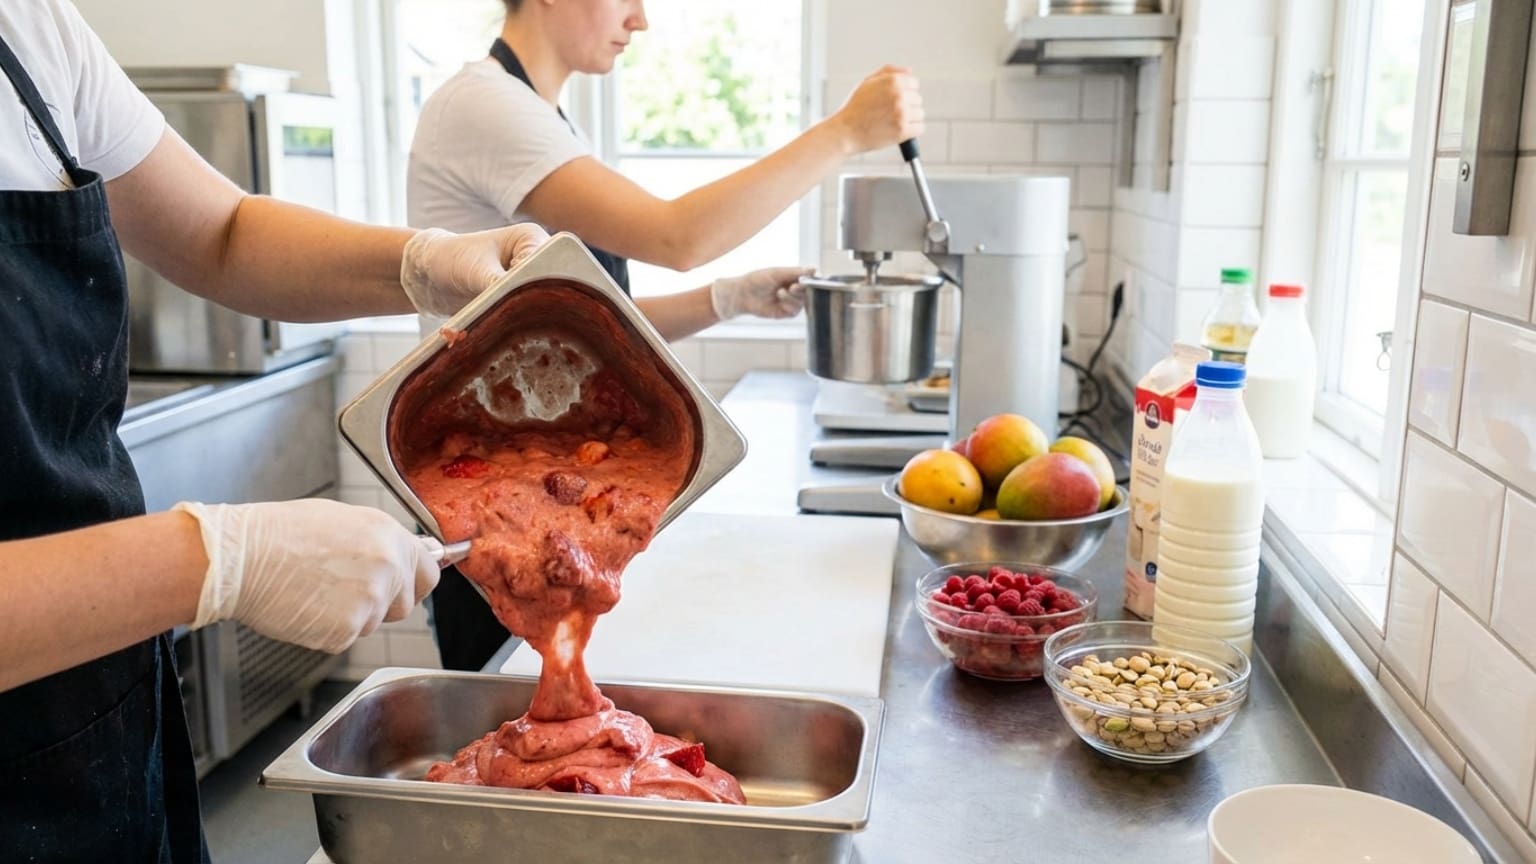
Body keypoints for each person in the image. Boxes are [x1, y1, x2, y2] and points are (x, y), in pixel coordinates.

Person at [0, 1, 550, 860]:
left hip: (92, 726)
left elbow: (220, 232)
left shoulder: (32, 30)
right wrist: (220, 560)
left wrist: (425, 262)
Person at [408, 0, 924, 670]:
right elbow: (675, 236)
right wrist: (845, 132)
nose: (641, 20)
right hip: (493, 509)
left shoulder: (544, 119)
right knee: (507, 734)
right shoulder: (484, 106)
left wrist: (728, 298)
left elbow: (598, 335)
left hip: (541, 496)